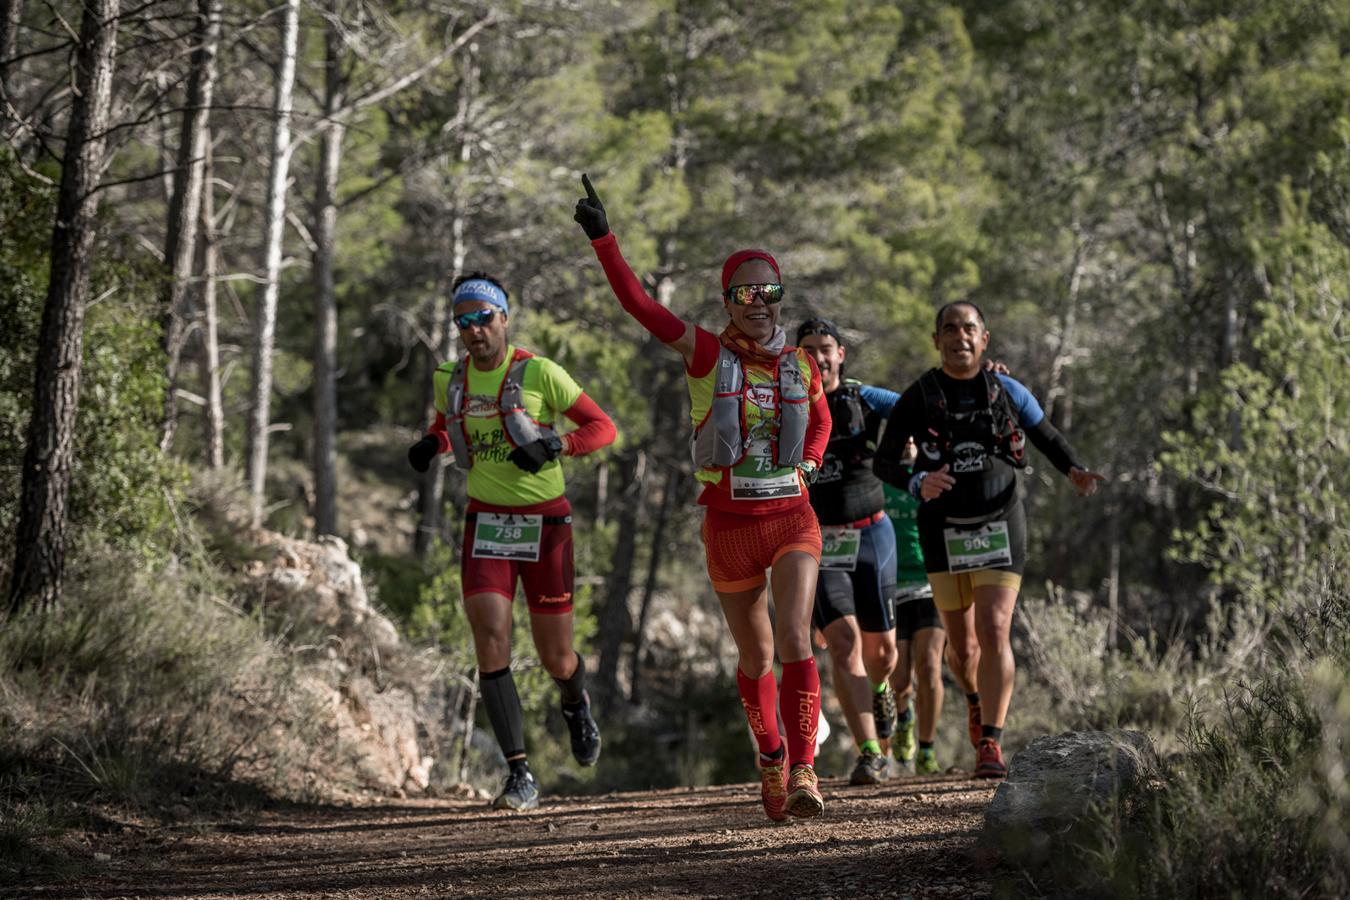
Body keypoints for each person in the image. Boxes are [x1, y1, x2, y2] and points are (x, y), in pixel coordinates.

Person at [575, 174, 832, 821]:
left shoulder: (800, 362)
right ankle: (770, 756)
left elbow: (821, 419)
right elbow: (640, 306)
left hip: (792, 518)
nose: (759, 303)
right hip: (729, 525)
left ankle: (805, 768)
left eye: (769, 292)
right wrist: (605, 240)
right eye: (745, 293)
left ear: (779, 297)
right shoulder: (706, 353)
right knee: (756, 656)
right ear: (728, 300)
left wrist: (809, 459)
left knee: (797, 635)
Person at [407, 272, 617, 810]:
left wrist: (555, 445)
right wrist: (430, 446)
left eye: (483, 318)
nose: (474, 330)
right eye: (464, 321)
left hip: (546, 526)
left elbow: (602, 427)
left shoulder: (540, 372)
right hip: (487, 524)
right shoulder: (449, 378)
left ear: (503, 318)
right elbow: (445, 425)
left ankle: (575, 700)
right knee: (490, 638)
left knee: (556, 658)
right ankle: (519, 774)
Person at [873, 301, 1103, 778]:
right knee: (962, 648)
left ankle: (991, 744)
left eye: (969, 329)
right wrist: (917, 484)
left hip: (1001, 523)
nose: (960, 336)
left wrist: (1075, 469)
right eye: (950, 329)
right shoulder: (918, 397)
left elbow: (1047, 435)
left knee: (995, 629)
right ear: (937, 340)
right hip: (943, 531)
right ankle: (974, 698)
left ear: (984, 338)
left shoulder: (1008, 390)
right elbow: (884, 462)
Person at [794, 318, 901, 786]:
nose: (818, 356)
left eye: (826, 348)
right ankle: (869, 752)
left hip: (873, 536)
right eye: (809, 349)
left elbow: (916, 410)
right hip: (818, 542)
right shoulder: (785, 405)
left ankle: (881, 689)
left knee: (882, 654)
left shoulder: (863, 399)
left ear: (841, 355)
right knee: (843, 644)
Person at [882, 440, 947, 776]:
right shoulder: (882, 480)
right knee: (901, 679)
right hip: (890, 588)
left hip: (927, 584)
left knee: (930, 668)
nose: (907, 444)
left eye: (912, 438)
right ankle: (904, 721)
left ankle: (926, 748)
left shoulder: (931, 480)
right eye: (901, 437)